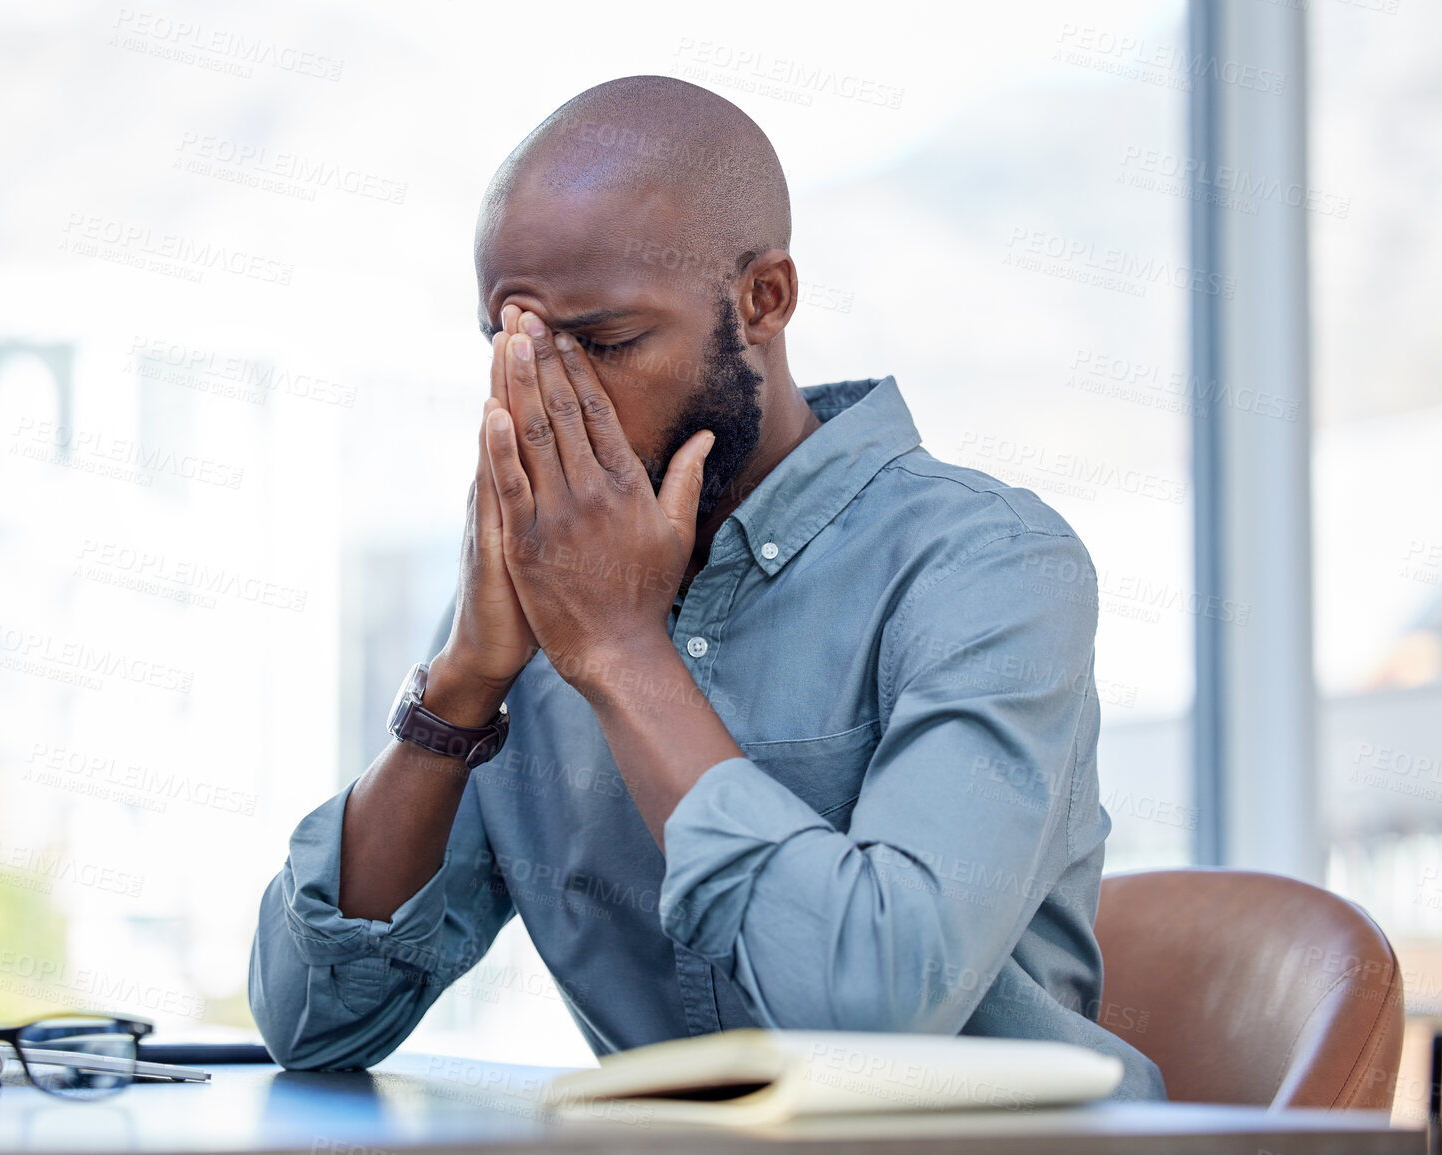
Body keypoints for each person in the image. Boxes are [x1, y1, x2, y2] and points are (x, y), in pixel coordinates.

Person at [248, 74, 1166, 1101]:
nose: (555, 403)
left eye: (604, 344)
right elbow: (312, 1022)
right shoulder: (542, 590)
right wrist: (463, 686)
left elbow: (867, 1012)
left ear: (763, 301)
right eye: (515, 352)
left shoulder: (988, 568)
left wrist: (623, 656)